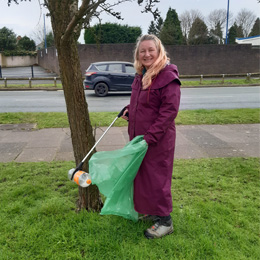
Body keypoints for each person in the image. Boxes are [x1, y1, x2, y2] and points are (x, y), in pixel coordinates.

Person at [121, 34, 181, 239]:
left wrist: (150, 138)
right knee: (143, 177)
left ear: (159, 51)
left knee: (157, 179)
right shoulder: (141, 74)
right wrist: (129, 110)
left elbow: (169, 112)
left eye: (150, 50)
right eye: (142, 51)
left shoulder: (168, 76)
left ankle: (165, 221)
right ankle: (151, 212)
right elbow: (141, 102)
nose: (146, 54)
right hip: (140, 138)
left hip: (157, 140)